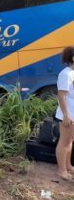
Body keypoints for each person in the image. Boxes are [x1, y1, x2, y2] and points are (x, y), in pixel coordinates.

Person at [55, 46, 74, 181]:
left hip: (73, 112)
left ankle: (68, 165)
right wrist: (66, 115)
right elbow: (61, 95)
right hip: (67, 114)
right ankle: (61, 170)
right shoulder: (66, 73)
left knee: (70, 140)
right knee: (64, 141)